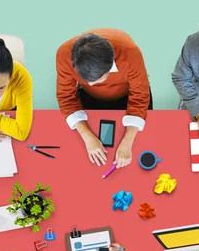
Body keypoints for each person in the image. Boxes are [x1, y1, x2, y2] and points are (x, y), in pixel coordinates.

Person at [56, 29, 152, 168]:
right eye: (85, 79)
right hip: (90, 97)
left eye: (96, 79)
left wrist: (128, 141)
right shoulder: (64, 54)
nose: (89, 84)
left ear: (110, 64)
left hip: (129, 96)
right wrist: (87, 136)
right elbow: (66, 97)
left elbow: (140, 96)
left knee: (143, 143)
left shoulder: (131, 53)